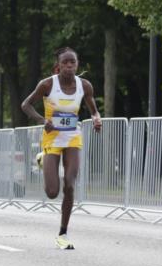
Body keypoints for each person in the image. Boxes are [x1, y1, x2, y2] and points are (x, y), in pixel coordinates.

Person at [21, 47, 102, 250]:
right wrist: (42, 120)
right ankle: (42, 159)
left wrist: (96, 119)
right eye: (65, 63)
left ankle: (63, 233)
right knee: (51, 192)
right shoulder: (48, 84)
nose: (69, 66)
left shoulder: (84, 85)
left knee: (70, 184)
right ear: (59, 66)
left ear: (77, 64)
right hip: (52, 138)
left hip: (73, 137)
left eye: (72, 62)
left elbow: (93, 109)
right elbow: (26, 104)